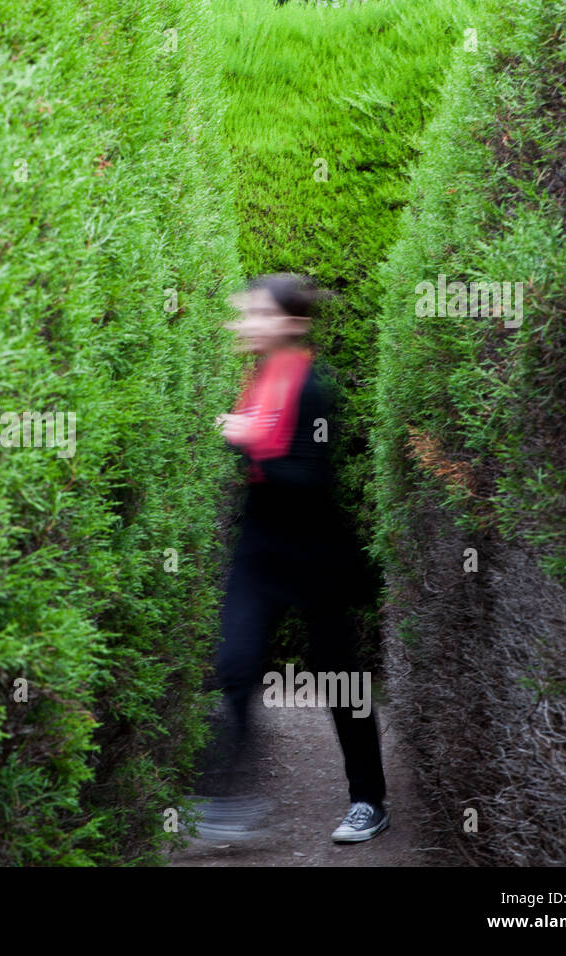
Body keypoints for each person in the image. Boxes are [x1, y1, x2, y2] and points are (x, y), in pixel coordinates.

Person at [200, 273, 389, 844]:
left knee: (339, 681)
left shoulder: (313, 388)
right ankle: (229, 804)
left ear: (292, 324)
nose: (245, 323)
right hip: (259, 547)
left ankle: (368, 801)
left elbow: (308, 477)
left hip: (313, 555)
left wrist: (245, 438)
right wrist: (249, 436)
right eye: (245, 313)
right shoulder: (261, 378)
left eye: (257, 314)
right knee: (235, 666)